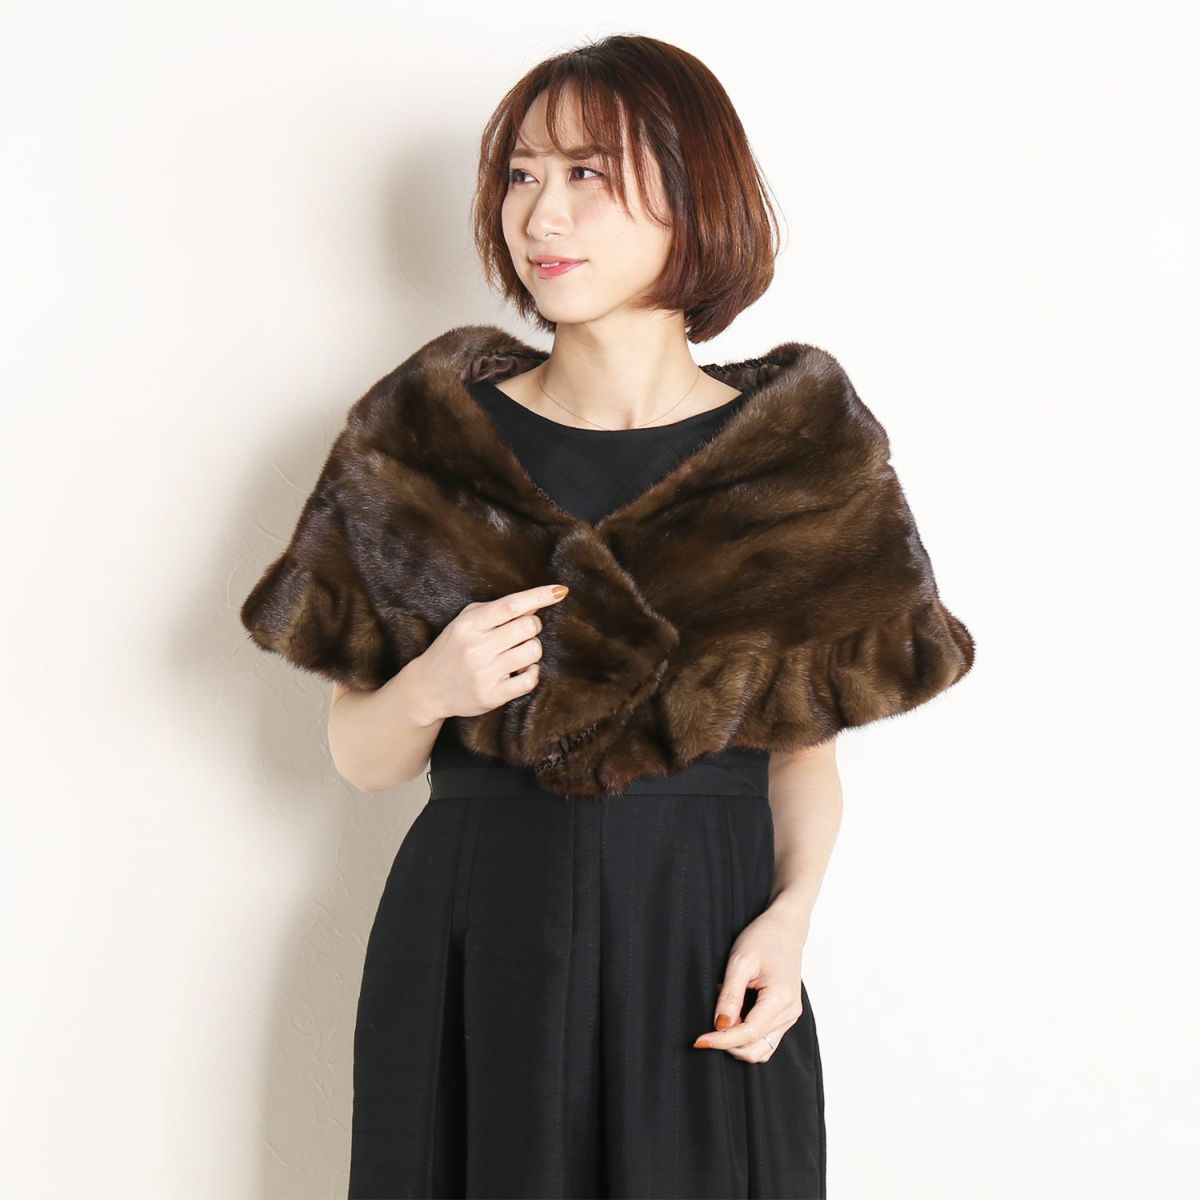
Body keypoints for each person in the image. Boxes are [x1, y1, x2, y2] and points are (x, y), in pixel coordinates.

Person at [242, 32, 973, 1200]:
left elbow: (804, 757)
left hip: (703, 943)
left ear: (696, 195)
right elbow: (362, 757)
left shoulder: (798, 460)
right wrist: (432, 687)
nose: (542, 214)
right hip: (478, 936)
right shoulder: (425, 445)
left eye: (589, 174)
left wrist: (789, 923)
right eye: (522, 174)